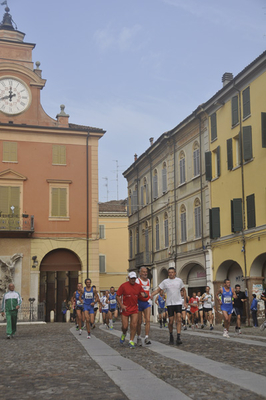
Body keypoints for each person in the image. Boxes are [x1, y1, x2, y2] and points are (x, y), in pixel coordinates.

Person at [151, 266, 187, 345]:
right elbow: (158, 290)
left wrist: (185, 302)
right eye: (169, 273)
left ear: (175, 273)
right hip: (170, 304)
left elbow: (184, 291)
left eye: (172, 272)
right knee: (170, 322)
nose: (171, 274)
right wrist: (151, 295)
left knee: (179, 318)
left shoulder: (179, 281)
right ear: (168, 274)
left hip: (178, 303)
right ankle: (171, 335)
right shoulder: (165, 282)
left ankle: (178, 336)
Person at [116, 271, 148, 349]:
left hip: (134, 308)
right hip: (125, 308)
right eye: (132, 278)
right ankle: (124, 333)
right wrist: (121, 305)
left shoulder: (138, 286)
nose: (133, 280)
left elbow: (143, 293)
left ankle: (131, 341)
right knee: (125, 326)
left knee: (134, 325)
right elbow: (117, 296)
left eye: (134, 278)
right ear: (129, 278)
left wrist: (145, 295)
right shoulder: (123, 286)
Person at [136, 267, 152, 345]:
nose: (145, 273)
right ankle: (138, 337)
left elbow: (149, 290)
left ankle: (146, 337)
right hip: (138, 302)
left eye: (146, 272)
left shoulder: (149, 280)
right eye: (143, 272)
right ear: (140, 273)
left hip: (146, 302)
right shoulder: (137, 281)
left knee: (148, 320)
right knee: (139, 322)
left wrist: (150, 296)